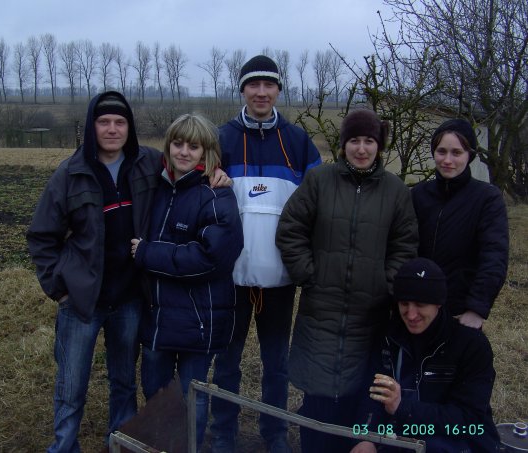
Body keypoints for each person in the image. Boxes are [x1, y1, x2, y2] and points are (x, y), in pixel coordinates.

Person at [27, 92, 230, 452]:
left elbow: (187, 162)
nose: (112, 129)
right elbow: (42, 236)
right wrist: (58, 288)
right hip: (82, 300)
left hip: (130, 298)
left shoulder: (147, 163)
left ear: (129, 128)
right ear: (91, 127)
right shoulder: (70, 174)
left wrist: (215, 172)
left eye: (120, 122)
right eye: (104, 122)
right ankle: (64, 446)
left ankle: (119, 443)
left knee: (123, 381)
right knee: (71, 386)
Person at [275, 108, 418, 453]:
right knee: (318, 396)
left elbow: (405, 244)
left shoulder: (396, 191)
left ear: (379, 146)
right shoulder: (319, 181)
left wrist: (385, 283)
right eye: (354, 140)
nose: (361, 148)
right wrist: (308, 273)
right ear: (343, 144)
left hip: (369, 313)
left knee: (361, 391)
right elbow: (291, 229)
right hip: (320, 310)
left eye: (369, 141)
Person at [210, 55, 322, 453]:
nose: (261, 92)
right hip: (230, 278)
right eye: (253, 85)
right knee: (227, 363)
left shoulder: (298, 142)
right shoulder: (220, 139)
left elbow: (319, 206)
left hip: (279, 278)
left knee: (277, 365)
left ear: (278, 90)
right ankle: (223, 433)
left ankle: (274, 434)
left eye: (269, 85)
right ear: (242, 90)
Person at [130, 114, 243, 451]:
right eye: (177, 144)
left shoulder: (217, 195)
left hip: (198, 319)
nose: (183, 152)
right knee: (156, 393)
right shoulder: (157, 188)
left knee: (192, 396)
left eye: (193, 146)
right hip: (157, 317)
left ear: (207, 152)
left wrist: (148, 253)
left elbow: (212, 258)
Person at [351, 257, 500, 453]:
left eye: (420, 304)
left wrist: (403, 407)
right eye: (404, 303)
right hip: (402, 438)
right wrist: (366, 437)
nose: (411, 314)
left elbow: (468, 420)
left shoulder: (471, 345)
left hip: (459, 442)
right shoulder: (388, 337)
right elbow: (373, 395)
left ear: (438, 303)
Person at [412, 118, 508, 330]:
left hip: (460, 313)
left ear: (469, 155)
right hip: (417, 310)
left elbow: (494, 257)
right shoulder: (418, 195)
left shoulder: (486, 198)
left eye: (456, 152)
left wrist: (476, 309)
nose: (447, 160)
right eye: (441, 151)